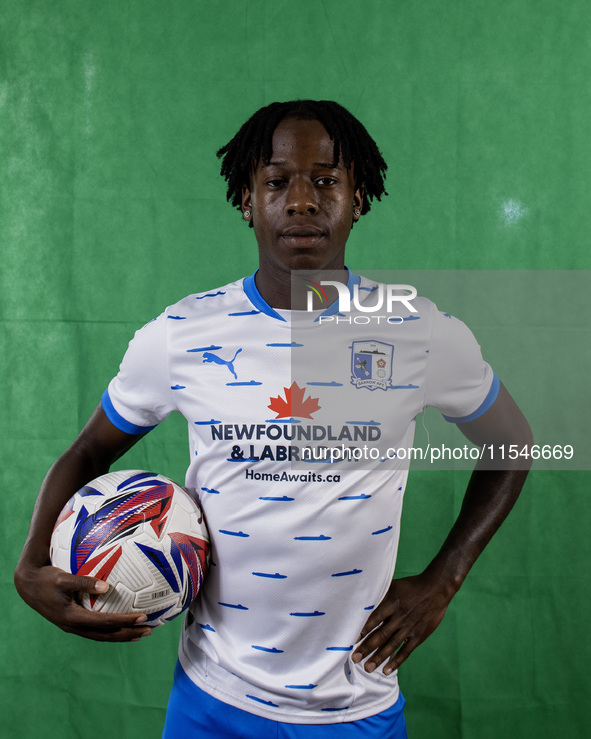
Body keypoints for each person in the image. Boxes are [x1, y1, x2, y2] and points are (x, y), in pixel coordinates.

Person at [14, 100, 532, 738]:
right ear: (246, 199)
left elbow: (512, 442)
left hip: (355, 706)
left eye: (326, 180)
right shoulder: (182, 333)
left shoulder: (419, 332)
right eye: (277, 180)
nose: (302, 201)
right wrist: (31, 564)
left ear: (359, 196)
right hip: (212, 699)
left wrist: (445, 578)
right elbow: (89, 452)